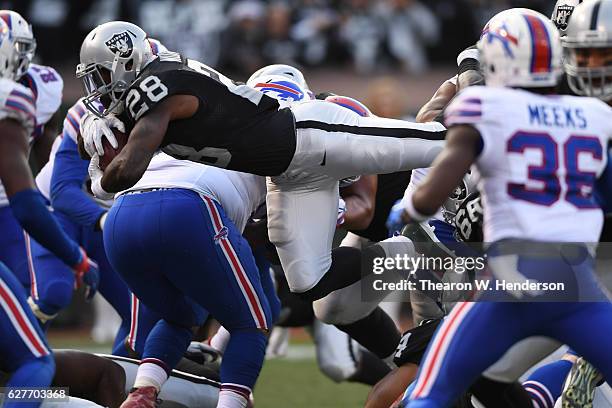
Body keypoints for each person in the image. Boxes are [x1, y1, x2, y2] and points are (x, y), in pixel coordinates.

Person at [77, 21, 446, 363]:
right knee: (309, 282)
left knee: (428, 141)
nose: (100, 88)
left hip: (309, 137)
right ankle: (407, 257)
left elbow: (126, 169)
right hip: (289, 174)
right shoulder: (172, 100)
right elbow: (119, 144)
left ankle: (491, 131)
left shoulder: (165, 85)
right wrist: (91, 131)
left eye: (105, 75)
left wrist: (97, 170)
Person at [400, 8, 612, 407]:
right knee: (482, 380)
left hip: (572, 259)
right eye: (581, 53)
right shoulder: (559, 96)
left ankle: (574, 370)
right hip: (564, 259)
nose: (591, 67)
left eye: (603, 55)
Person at [0, 16, 97, 407]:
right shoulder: (12, 96)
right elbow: (26, 205)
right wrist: (76, 258)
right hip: (13, 210)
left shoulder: (40, 86)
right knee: (36, 359)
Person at [0, 10, 63, 293]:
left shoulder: (43, 86)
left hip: (10, 204)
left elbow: (48, 152)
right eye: (17, 47)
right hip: (15, 202)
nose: (24, 55)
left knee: (28, 286)